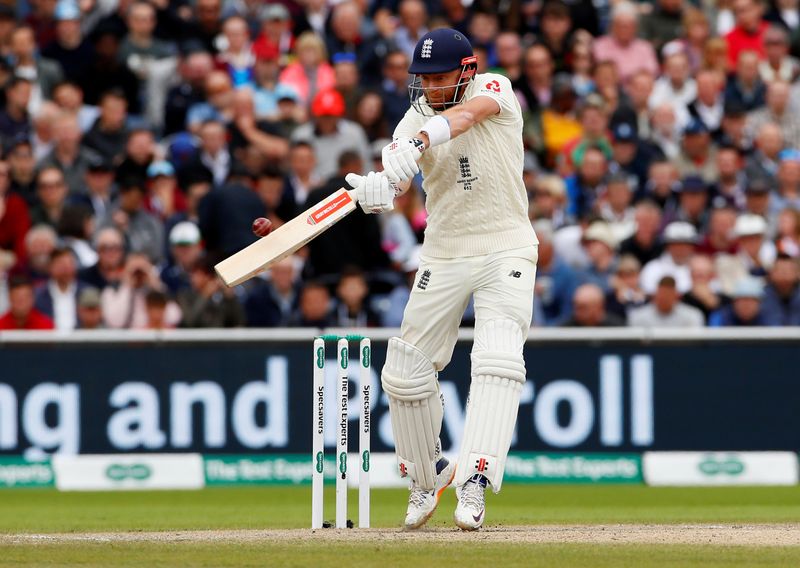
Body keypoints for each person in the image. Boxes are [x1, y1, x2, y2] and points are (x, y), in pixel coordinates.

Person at [341, 29, 539, 531]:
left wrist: (420, 140)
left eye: (438, 78)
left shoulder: (494, 88)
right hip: (445, 250)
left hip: (507, 243)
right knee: (404, 371)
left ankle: (475, 479)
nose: (428, 88)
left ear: (466, 71)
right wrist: (379, 188)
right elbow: (399, 180)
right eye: (421, 80)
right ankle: (427, 477)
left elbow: (467, 118)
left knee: (497, 357)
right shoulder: (414, 117)